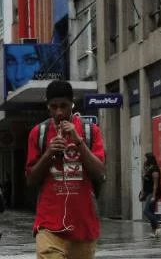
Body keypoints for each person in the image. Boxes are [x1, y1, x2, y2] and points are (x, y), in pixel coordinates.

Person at [25, 80, 105, 259]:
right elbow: (31, 179)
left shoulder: (90, 131)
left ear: (72, 104)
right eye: (53, 107)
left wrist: (79, 142)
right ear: (47, 106)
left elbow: (100, 173)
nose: (59, 112)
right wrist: (49, 153)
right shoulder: (39, 133)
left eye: (64, 106)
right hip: (49, 226)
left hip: (83, 226)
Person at [140, 153, 161, 237]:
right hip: (147, 192)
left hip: (153, 193)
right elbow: (144, 182)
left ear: (149, 159)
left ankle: (158, 225)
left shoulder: (155, 169)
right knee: (151, 211)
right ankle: (154, 232)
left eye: (145, 158)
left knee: (146, 211)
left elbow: (155, 184)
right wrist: (142, 193)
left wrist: (153, 196)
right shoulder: (147, 169)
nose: (144, 160)